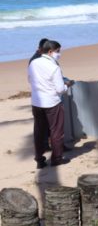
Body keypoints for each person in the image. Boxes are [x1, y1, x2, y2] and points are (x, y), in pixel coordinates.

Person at [28, 40, 73, 168]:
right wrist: (67, 85)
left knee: (39, 131)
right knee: (56, 131)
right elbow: (60, 89)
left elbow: (30, 80)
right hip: (52, 102)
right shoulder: (54, 67)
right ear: (50, 52)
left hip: (37, 102)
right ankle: (56, 159)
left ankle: (39, 159)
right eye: (58, 51)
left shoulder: (33, 63)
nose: (59, 54)